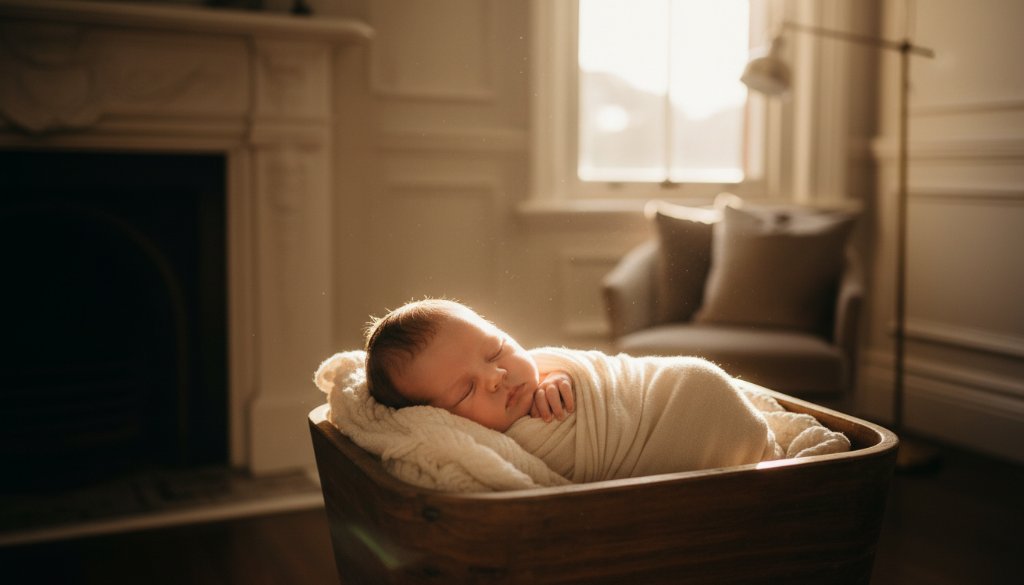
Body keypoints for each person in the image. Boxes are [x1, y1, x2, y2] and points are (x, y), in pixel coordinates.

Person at [364, 298, 574, 432]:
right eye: (466, 390)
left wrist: (566, 376)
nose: (495, 377)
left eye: (496, 351)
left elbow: (596, 372)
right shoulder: (482, 453)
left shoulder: (549, 370)